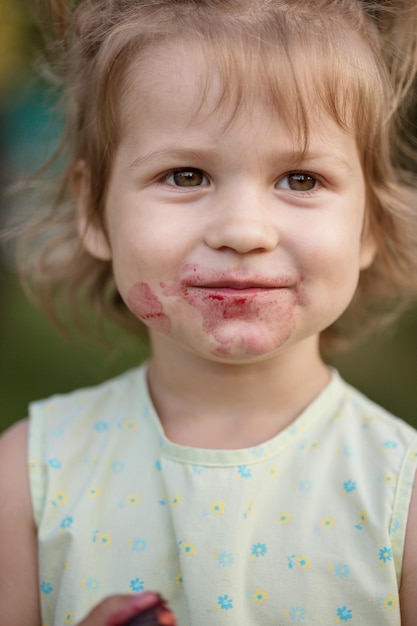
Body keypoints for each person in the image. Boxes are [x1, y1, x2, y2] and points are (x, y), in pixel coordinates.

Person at [1, 1, 417, 624]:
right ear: (94, 212)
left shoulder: (402, 495)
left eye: (300, 179)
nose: (243, 231)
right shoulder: (27, 480)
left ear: (368, 227)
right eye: (186, 174)